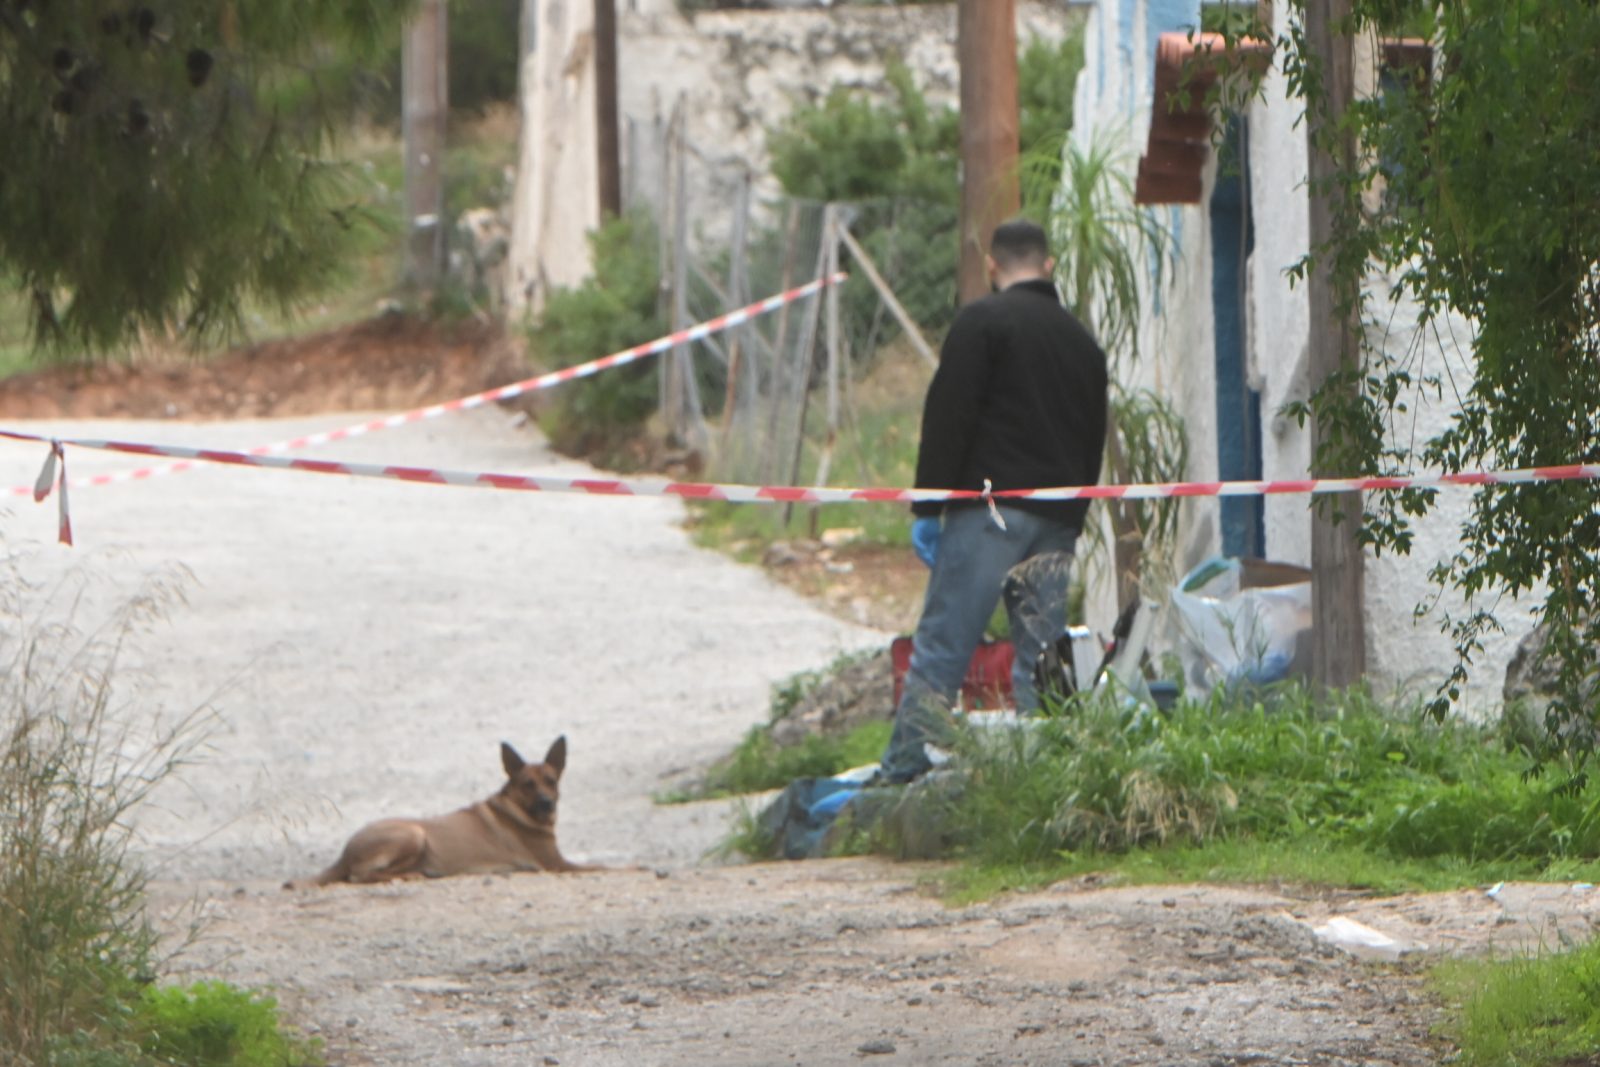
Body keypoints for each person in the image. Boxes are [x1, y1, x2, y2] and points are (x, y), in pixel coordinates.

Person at [877, 218, 1108, 785]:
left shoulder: (982, 323)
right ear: (1048, 266)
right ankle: (1045, 780)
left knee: (944, 646)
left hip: (989, 513)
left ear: (991, 266)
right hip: (1056, 518)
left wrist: (929, 508)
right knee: (1039, 656)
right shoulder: (1083, 343)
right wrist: (1071, 518)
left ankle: (903, 770)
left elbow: (949, 418)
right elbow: (1092, 434)